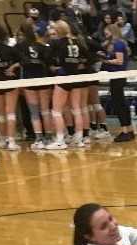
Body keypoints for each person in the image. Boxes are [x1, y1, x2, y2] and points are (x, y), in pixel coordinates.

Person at [46, 20, 90, 150]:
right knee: (76, 109)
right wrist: (79, 65)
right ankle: (79, 139)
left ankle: (60, 141)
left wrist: (55, 66)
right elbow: (89, 57)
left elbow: (47, 57)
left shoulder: (56, 43)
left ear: (58, 31)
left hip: (64, 77)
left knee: (56, 111)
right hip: (76, 77)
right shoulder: (76, 42)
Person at [16, 22, 53, 150]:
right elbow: (49, 62)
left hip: (29, 81)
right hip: (42, 79)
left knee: (34, 112)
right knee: (45, 111)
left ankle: (39, 139)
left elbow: (18, 60)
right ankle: (48, 137)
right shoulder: (42, 46)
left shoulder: (19, 46)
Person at [102, 23, 134, 142]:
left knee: (119, 104)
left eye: (107, 32)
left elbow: (119, 61)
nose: (105, 35)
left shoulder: (118, 44)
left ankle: (125, 130)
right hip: (116, 76)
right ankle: (129, 130)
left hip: (118, 76)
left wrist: (106, 61)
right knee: (121, 103)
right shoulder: (115, 44)